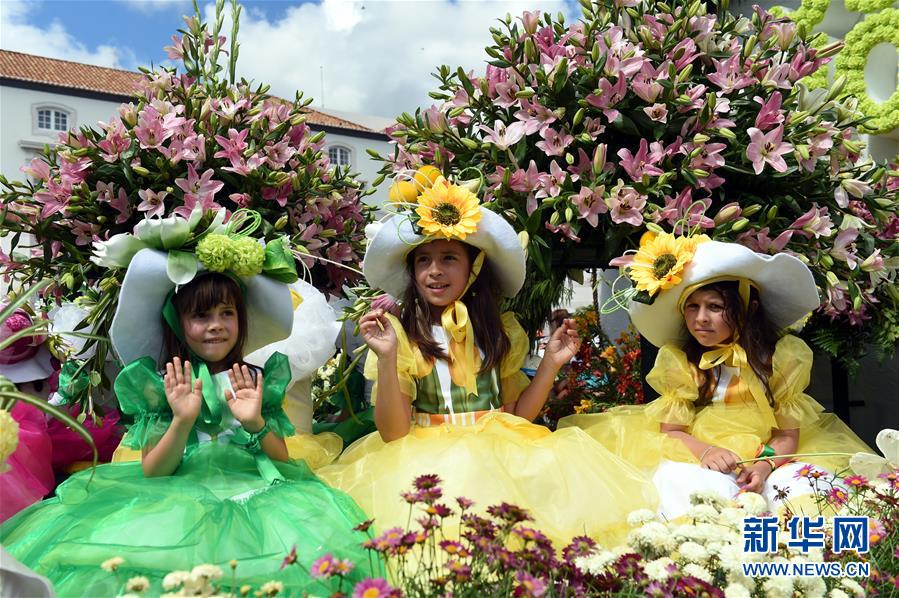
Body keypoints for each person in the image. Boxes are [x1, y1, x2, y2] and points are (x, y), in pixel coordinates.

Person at [2, 235, 381, 594]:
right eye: (201, 315)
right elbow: (154, 469)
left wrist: (255, 423)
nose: (215, 325)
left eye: (226, 313)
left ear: (241, 319)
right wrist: (182, 418)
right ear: (179, 323)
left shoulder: (254, 380)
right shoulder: (165, 385)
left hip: (256, 496)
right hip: (176, 500)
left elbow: (280, 457)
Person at [319, 176, 657, 548]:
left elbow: (517, 415)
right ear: (412, 274)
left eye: (449, 258)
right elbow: (393, 432)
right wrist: (385, 358)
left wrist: (550, 364)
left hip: (500, 451)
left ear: (473, 268)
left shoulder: (499, 332)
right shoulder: (402, 337)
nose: (435, 270)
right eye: (424, 261)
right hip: (424, 459)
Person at [560, 234, 873, 518]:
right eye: (692, 307)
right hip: (704, 452)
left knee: (802, 488)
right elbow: (673, 432)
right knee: (683, 485)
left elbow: (786, 435)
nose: (700, 319)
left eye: (715, 307)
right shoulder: (684, 362)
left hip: (770, 456)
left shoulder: (780, 359)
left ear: (749, 309)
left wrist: (764, 465)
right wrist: (707, 451)